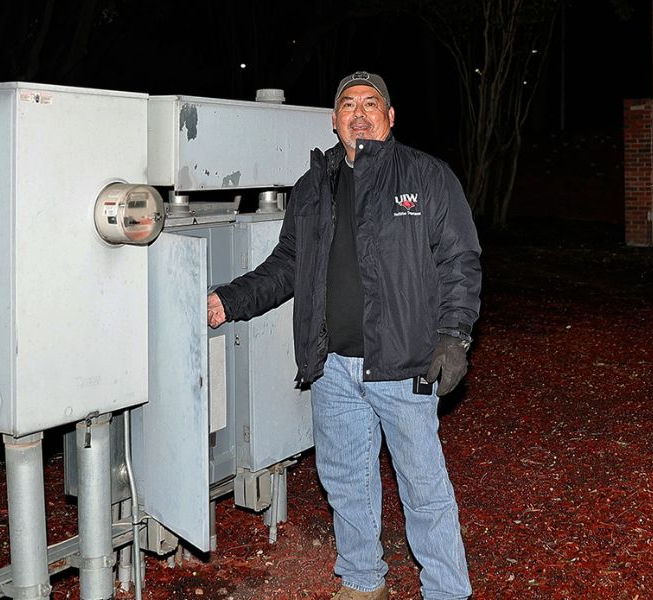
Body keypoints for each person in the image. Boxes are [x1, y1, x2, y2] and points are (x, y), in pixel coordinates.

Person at [206, 71, 481, 600]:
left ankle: (447, 591)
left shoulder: (426, 177)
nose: (359, 112)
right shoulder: (313, 188)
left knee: (424, 490)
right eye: (347, 104)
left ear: (390, 116)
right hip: (332, 368)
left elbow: (460, 261)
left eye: (370, 103)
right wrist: (229, 300)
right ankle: (362, 581)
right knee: (347, 484)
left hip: (406, 365)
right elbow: (288, 265)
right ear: (333, 121)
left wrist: (454, 336)